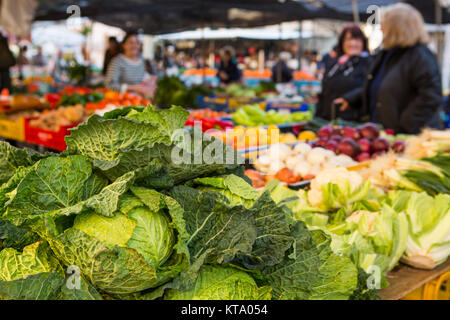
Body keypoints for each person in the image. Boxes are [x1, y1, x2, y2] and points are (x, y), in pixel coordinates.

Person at [336, 3, 444, 134]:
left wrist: (404, 123)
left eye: (384, 23)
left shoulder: (420, 55)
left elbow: (431, 96)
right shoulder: (387, 53)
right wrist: (353, 98)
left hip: (409, 138)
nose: (381, 28)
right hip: (386, 133)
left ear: (397, 27)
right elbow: (379, 84)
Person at [316, 25, 371, 121]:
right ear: (342, 43)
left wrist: (350, 98)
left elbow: (370, 87)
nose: (352, 43)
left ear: (363, 42)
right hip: (329, 119)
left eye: (357, 39)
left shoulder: (369, 62)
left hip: (353, 121)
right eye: (348, 39)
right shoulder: (336, 63)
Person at [105, 32, 157, 97]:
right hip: (122, 101)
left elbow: (144, 80)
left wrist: (150, 83)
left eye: (137, 43)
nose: (134, 45)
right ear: (124, 45)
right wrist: (135, 88)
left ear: (140, 45)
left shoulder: (142, 61)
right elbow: (109, 85)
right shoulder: (117, 61)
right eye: (131, 42)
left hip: (141, 101)